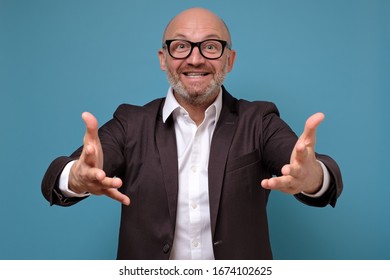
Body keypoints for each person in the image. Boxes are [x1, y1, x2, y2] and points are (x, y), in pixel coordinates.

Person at [41, 7, 343, 260]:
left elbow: (309, 166)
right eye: (181, 46)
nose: (195, 59)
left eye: (210, 46)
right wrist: (76, 178)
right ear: (163, 58)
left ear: (229, 59)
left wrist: (312, 177)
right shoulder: (130, 122)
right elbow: (60, 176)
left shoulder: (258, 120)